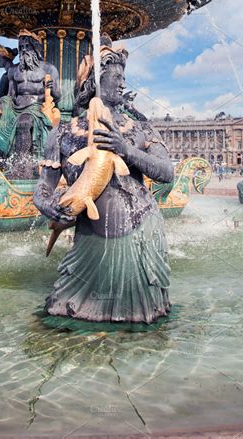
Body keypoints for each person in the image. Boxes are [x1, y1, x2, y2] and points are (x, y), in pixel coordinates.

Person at [33, 36, 174, 328]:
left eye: (124, 77)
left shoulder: (140, 127)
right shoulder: (62, 133)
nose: (123, 84)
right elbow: (44, 187)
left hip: (140, 236)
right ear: (94, 81)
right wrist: (46, 206)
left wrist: (127, 150)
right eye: (116, 76)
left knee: (141, 323)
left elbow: (166, 172)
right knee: (64, 313)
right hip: (91, 240)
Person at [0, 31, 60, 171]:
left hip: (35, 108)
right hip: (14, 109)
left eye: (27, 46)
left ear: (35, 48)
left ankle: (21, 166)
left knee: (24, 122)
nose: (24, 50)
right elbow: (11, 95)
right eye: (21, 47)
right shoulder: (14, 71)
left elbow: (58, 96)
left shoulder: (49, 69)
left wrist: (52, 89)